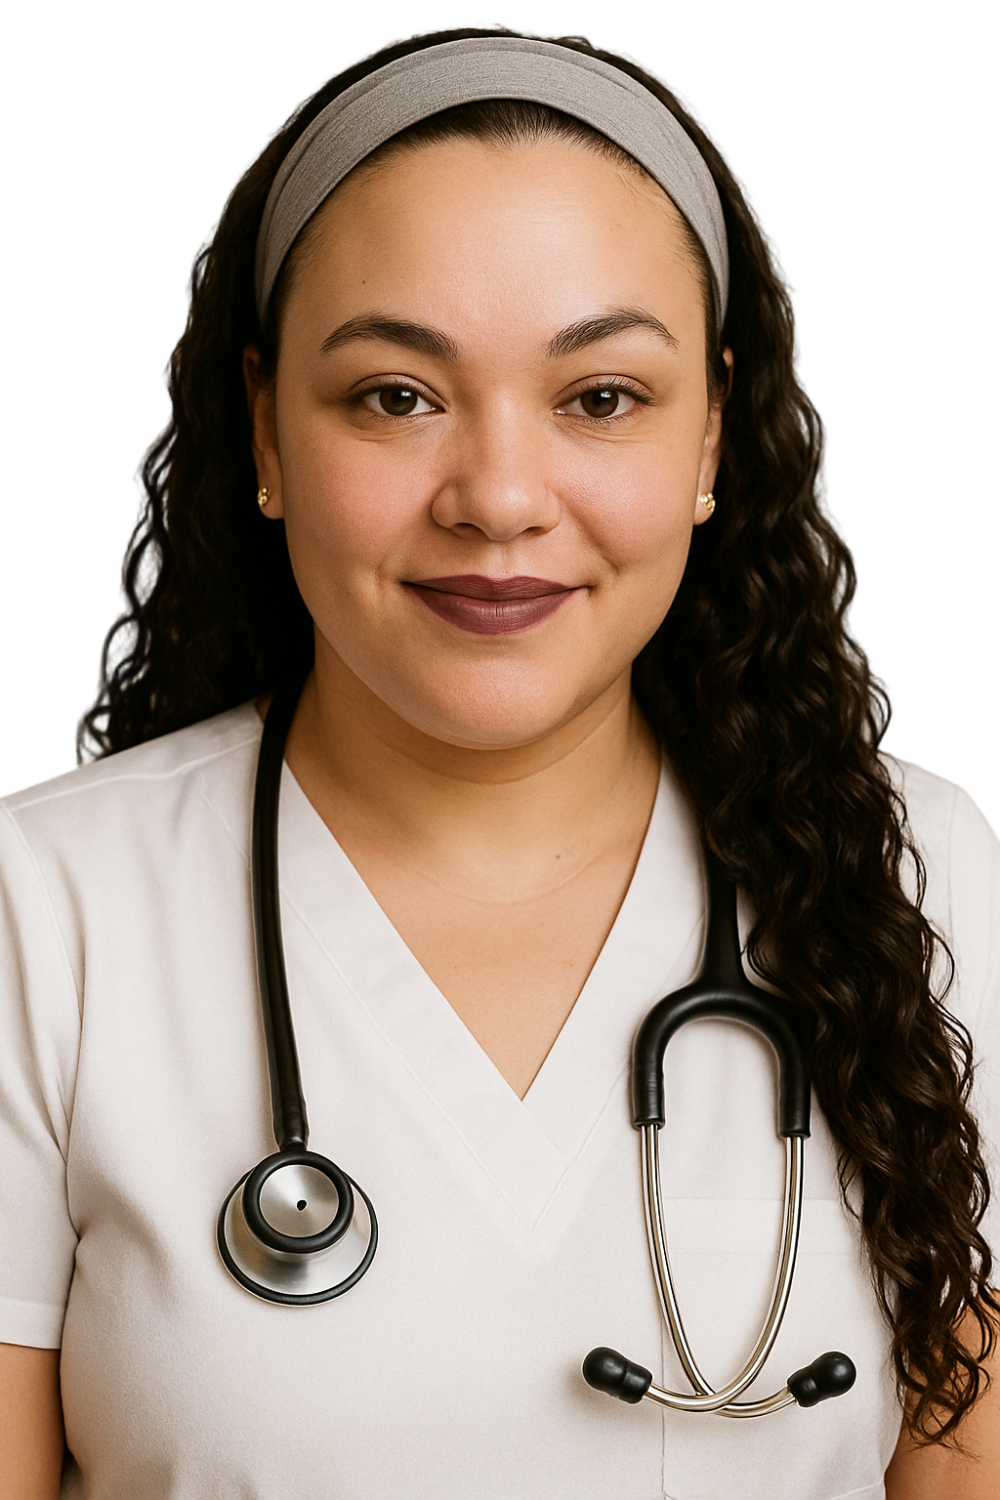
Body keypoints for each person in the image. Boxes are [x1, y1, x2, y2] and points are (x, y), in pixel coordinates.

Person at [0, 25, 997, 1499]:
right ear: (265, 429)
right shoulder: (48, 912)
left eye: (601, 397)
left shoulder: (922, 875)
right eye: (395, 396)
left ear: (713, 431)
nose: (501, 497)